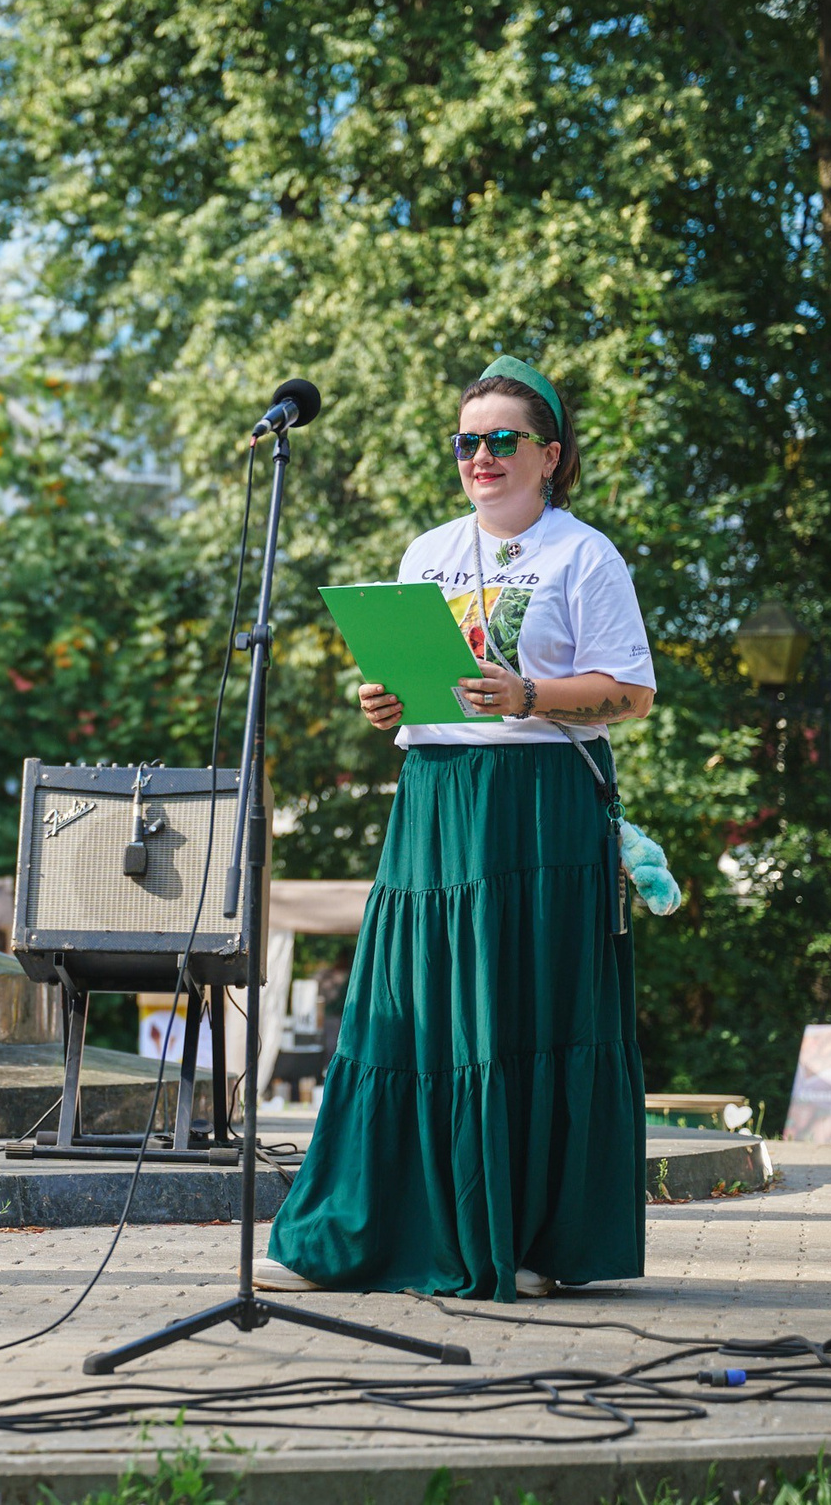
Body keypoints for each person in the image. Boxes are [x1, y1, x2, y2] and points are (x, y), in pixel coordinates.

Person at [262, 356, 656, 1301]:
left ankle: (520, 1237)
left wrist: (528, 693)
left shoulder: (583, 554)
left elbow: (631, 693)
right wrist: (383, 700)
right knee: (419, 1011)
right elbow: (419, 692)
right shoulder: (425, 553)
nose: (481, 455)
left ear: (549, 456)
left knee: (520, 1010)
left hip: (538, 809)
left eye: (502, 439)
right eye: (467, 441)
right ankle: (359, 1231)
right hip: (436, 797)